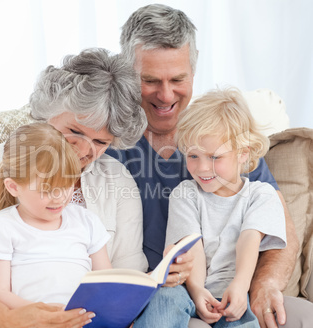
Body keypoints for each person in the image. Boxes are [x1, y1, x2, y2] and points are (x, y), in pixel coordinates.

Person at [0, 48, 159, 328]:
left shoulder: (116, 179)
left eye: (101, 142)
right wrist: (7, 318)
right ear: (49, 114)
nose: (84, 151)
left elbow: (124, 278)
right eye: (75, 132)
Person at [105, 4, 310, 328]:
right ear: (129, 74)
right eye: (150, 80)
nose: (166, 94)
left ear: (193, 72)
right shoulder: (108, 143)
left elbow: (279, 229)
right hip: (163, 297)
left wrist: (263, 284)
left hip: (232, 290)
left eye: (177, 79)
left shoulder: (224, 135)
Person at [136, 87, 287, 328]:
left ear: (242, 154)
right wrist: (196, 291)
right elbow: (190, 245)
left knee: (242, 317)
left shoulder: (261, 195)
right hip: (186, 288)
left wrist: (239, 285)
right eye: (193, 156)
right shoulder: (185, 193)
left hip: (237, 287)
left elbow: (249, 241)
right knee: (163, 299)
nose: (203, 168)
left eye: (215, 157)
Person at [0, 122, 112, 311]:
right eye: (46, 190)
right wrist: (41, 313)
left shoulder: (87, 222)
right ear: (14, 187)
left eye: (66, 186)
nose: (59, 198)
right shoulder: (0, 228)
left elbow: (107, 282)